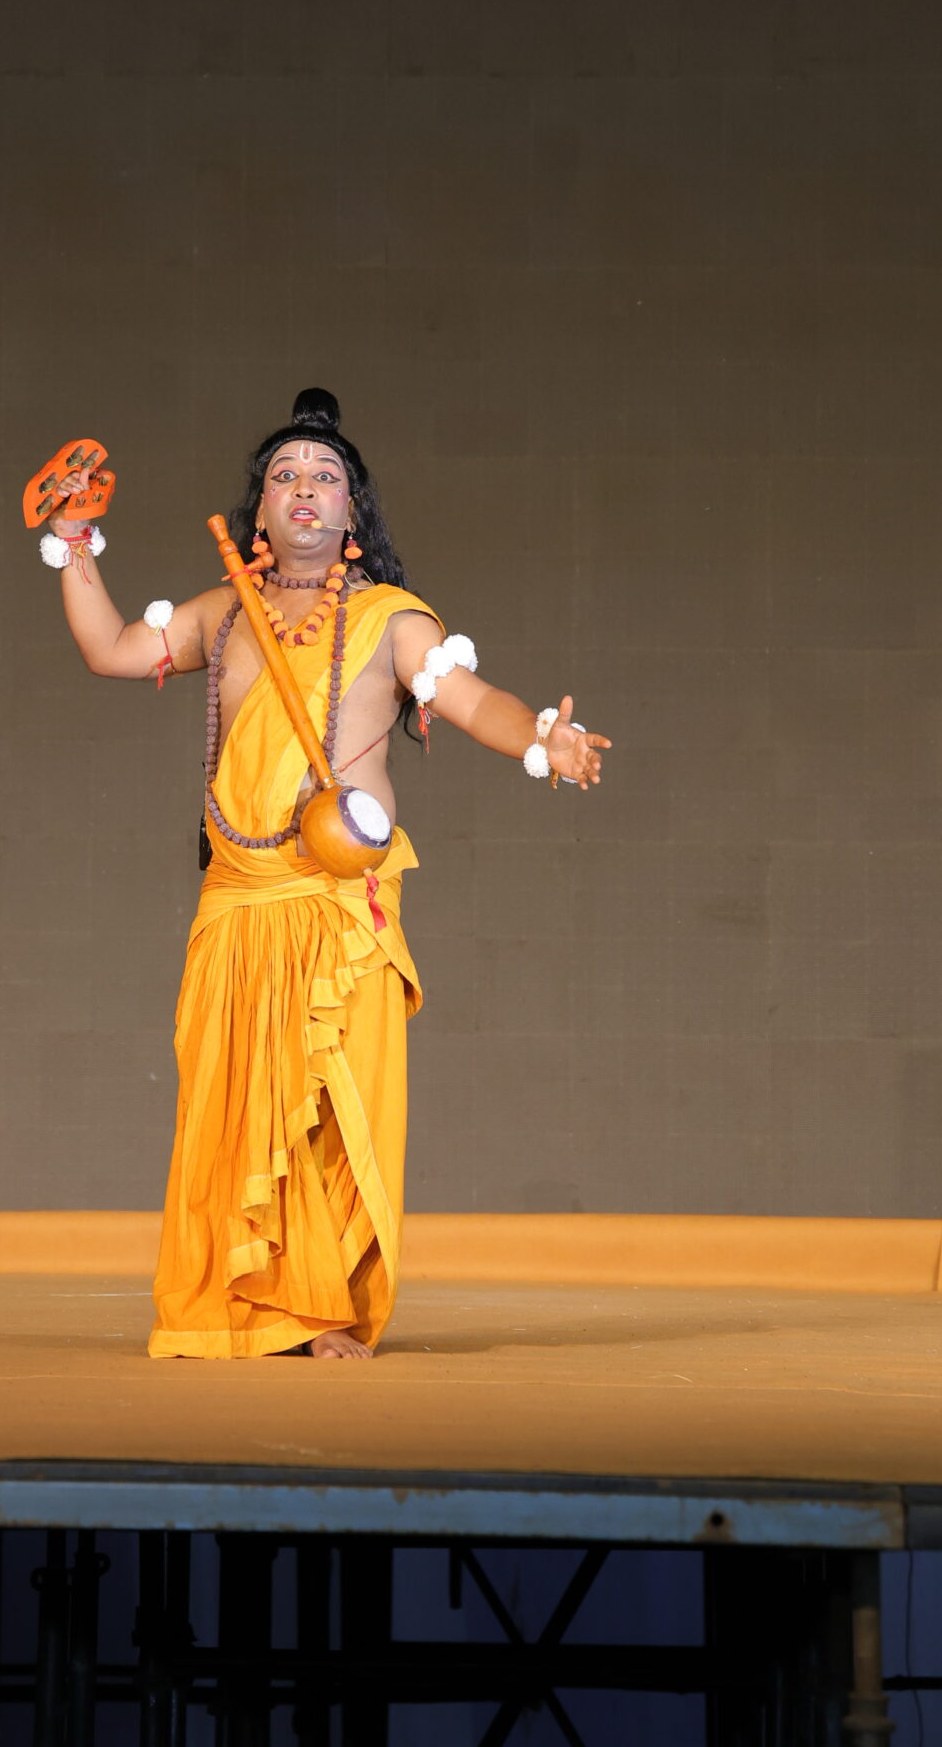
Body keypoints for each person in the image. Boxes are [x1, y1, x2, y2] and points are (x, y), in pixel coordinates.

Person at [39, 389, 609, 1361]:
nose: (304, 486)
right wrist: (74, 541)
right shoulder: (224, 613)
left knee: (330, 1111)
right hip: (238, 898)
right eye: (285, 475)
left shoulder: (391, 620)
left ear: (352, 511)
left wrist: (541, 739)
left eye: (325, 475)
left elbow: (473, 701)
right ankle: (246, 1303)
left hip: (339, 901)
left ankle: (323, 1307)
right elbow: (112, 649)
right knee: (235, 1107)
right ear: (259, 510)